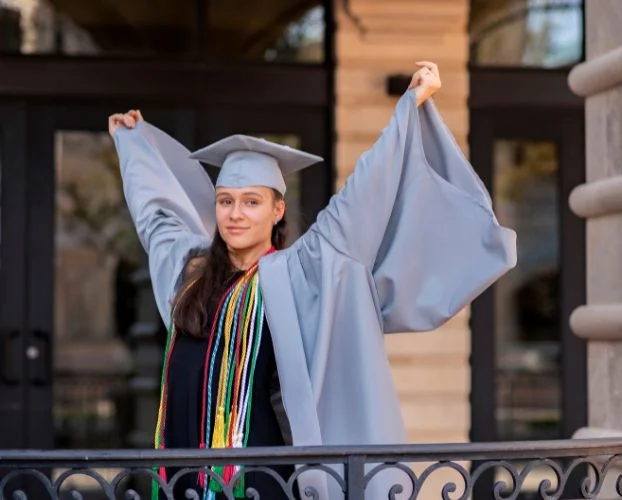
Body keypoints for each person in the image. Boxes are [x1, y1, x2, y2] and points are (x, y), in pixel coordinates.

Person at [109, 61, 516, 500]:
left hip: (257, 479)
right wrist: (131, 146)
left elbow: (357, 202)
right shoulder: (189, 272)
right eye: (226, 201)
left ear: (276, 211)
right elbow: (157, 220)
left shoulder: (293, 276)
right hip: (179, 474)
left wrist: (408, 107)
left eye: (251, 202)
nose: (236, 213)